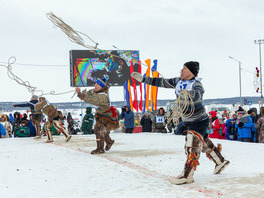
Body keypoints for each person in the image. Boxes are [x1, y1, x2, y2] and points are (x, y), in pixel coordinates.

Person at [131, 61, 229, 185]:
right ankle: (221, 161)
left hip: (199, 121)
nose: (181, 70)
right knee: (203, 143)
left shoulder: (197, 84)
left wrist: (188, 95)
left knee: (191, 146)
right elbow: (161, 82)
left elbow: (198, 95)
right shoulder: (178, 81)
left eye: (184, 68)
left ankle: (187, 175)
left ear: (191, 72)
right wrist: (144, 79)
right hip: (188, 120)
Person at [75, 77, 119, 154]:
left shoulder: (102, 96)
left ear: (102, 87)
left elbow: (91, 99)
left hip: (107, 117)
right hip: (101, 116)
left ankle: (100, 148)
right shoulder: (97, 92)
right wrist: (83, 93)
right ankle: (109, 142)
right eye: (95, 84)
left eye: (98, 85)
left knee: (99, 129)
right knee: (99, 130)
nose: (95, 85)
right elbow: (90, 93)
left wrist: (80, 94)